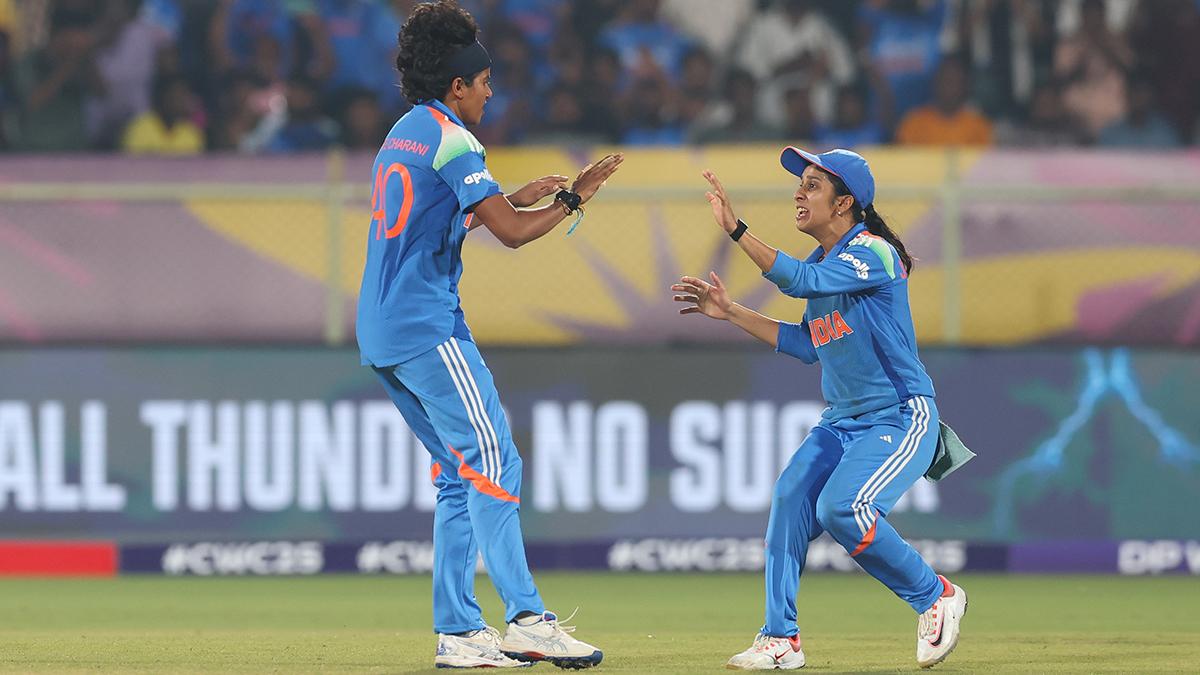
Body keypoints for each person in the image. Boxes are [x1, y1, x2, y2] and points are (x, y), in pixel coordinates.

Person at [354, 1, 622, 669]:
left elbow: (437, 216)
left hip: (382, 328)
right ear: (457, 86)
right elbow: (512, 233)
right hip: (427, 325)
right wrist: (572, 198)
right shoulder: (455, 139)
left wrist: (512, 196)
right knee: (497, 462)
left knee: (457, 474)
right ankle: (528, 620)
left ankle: (459, 633)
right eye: (483, 82)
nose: (490, 92)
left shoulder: (406, 131)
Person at [672, 147, 967, 670]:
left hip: (899, 414)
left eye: (812, 185)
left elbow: (801, 284)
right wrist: (731, 312)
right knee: (790, 498)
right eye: (801, 183)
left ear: (844, 203)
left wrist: (737, 230)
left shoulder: (873, 252)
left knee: (842, 508)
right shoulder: (823, 263)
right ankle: (780, 639)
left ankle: (935, 595)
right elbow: (810, 343)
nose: (799, 193)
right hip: (841, 421)